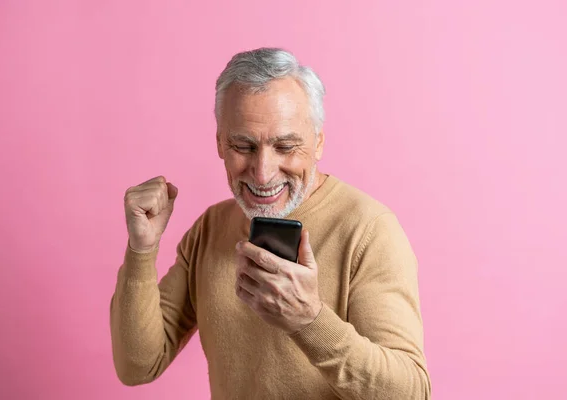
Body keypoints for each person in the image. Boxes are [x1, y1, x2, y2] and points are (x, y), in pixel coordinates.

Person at [110, 47, 432, 399]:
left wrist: (309, 321)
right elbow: (137, 366)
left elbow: (410, 393)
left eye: (285, 146)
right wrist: (141, 249)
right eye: (243, 146)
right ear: (220, 142)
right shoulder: (210, 228)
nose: (262, 173)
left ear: (318, 141)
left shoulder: (369, 231)